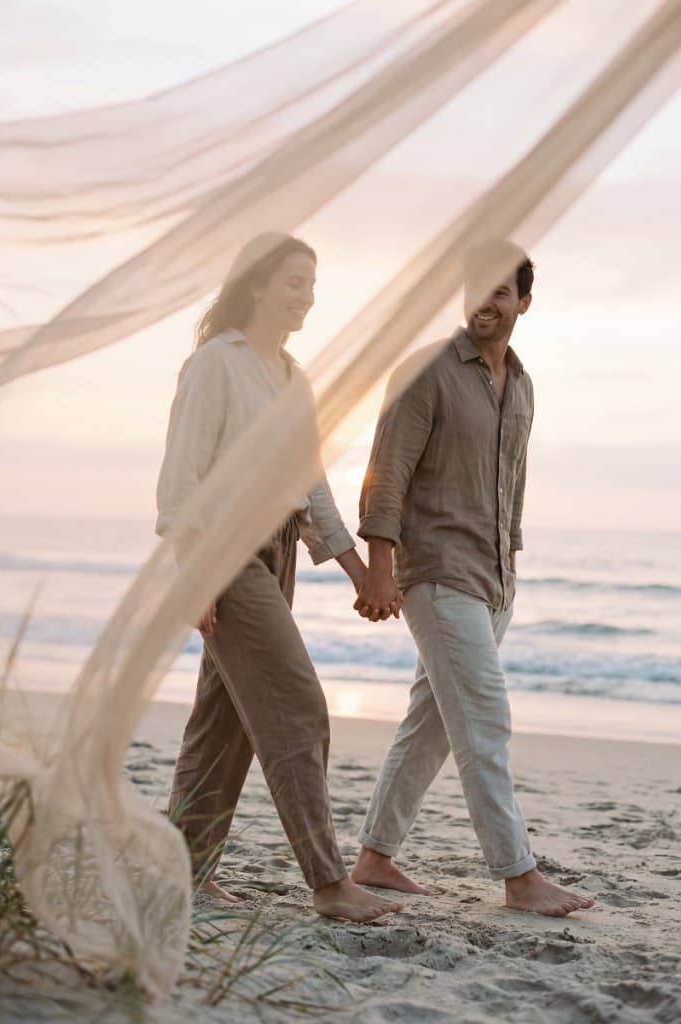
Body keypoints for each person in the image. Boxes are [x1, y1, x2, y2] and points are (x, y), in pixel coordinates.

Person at [156, 231, 401, 922]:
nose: (307, 297)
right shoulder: (215, 364)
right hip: (226, 554)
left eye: (313, 284)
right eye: (295, 282)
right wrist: (194, 574)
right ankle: (328, 882)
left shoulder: (294, 378)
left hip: (279, 552)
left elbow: (311, 484)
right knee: (297, 706)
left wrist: (356, 568)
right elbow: (180, 480)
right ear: (258, 285)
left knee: (223, 724)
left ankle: (182, 872)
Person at [350, 238, 595, 917]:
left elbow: (513, 477)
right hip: (436, 572)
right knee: (486, 719)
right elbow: (386, 471)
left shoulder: (524, 386)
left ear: (523, 303)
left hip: (493, 581)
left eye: (499, 291)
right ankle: (519, 876)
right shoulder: (426, 370)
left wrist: (510, 552)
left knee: (430, 722)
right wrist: (379, 569)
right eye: (475, 289)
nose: (485, 302)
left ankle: (374, 856)